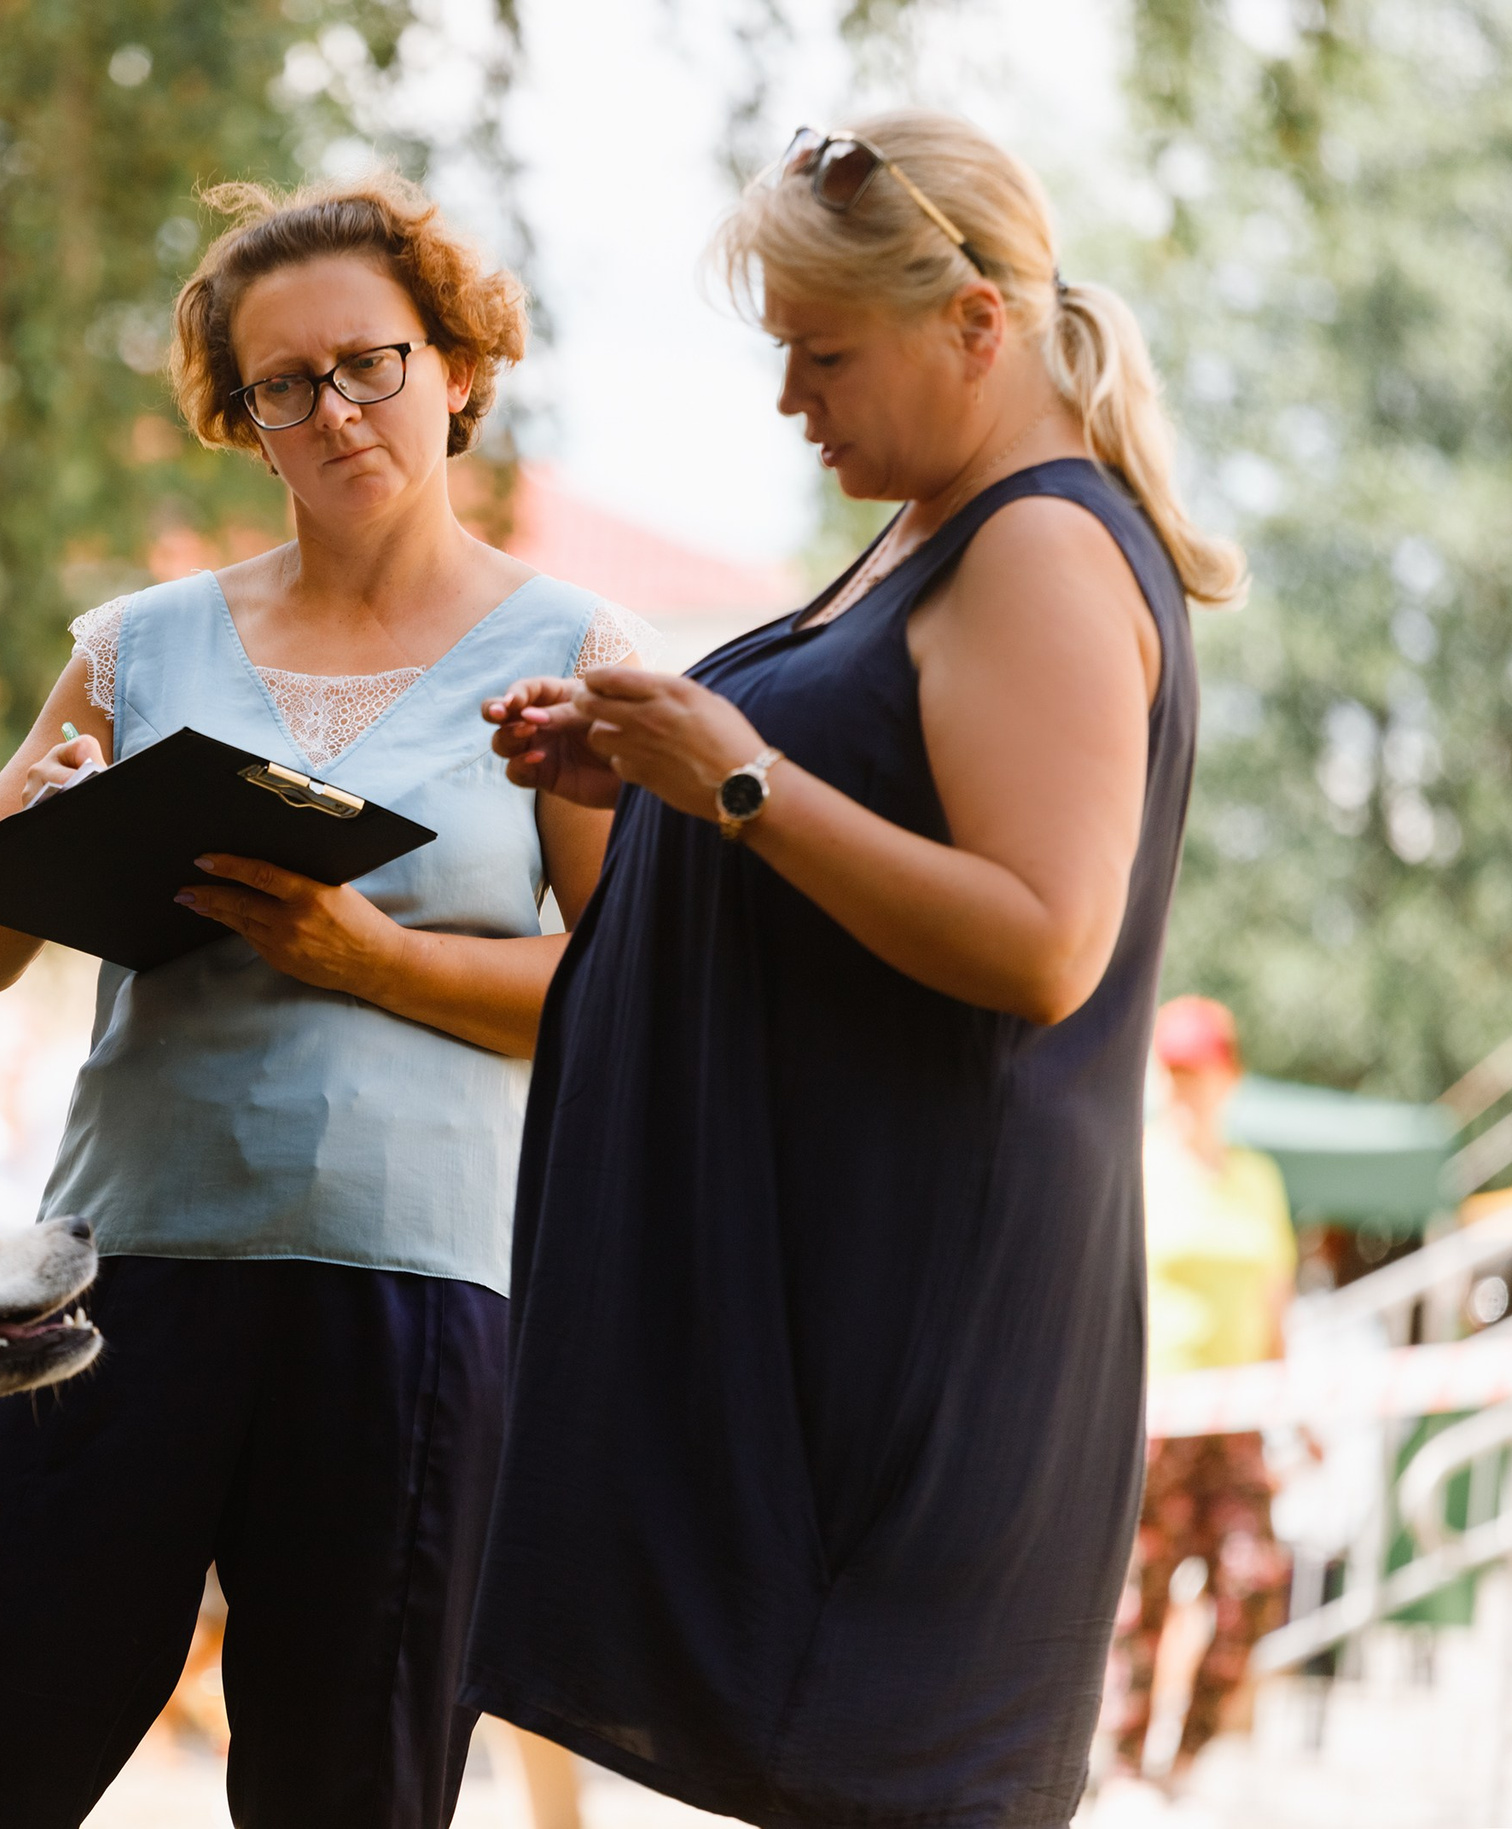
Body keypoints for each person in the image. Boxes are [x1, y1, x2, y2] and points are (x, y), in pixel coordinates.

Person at [464, 110, 1244, 1827]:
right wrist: (644, 788)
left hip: (917, 1335)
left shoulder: (1036, 542)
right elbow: (832, 838)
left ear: (976, 326)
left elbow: (1044, 939)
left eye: (824, 354)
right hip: (825, 1298)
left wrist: (734, 777)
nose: (791, 402)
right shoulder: (929, 523)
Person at [0, 174, 640, 1829]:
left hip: (418, 1300)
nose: (333, 410)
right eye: (283, 385)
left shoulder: (576, 649)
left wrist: (377, 956)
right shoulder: (137, 645)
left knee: (349, 1788)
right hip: (118, 1279)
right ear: (245, 418)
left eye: (367, 363)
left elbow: (625, 994)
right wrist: (23, 827)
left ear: (454, 366)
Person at [1110, 995, 1295, 1785]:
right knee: (1137, 1600)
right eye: (1174, 1070)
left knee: (1255, 1579)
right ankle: (1120, 1758)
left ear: (1230, 1075)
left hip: (1240, 1418)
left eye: (1200, 1070)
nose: (1187, 1086)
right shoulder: (1137, 1161)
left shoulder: (1256, 1177)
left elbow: (1274, 1303)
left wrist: (1292, 1412)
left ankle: (1184, 1755)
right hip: (1153, 1417)